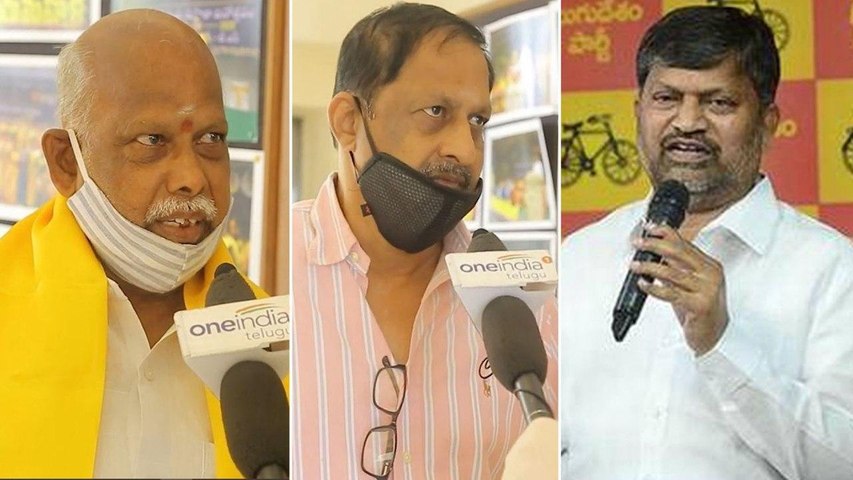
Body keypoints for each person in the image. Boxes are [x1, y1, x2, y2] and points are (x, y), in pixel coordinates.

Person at [560, 6, 853, 479]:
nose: (687, 122)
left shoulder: (832, 269)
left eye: (718, 103)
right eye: (667, 98)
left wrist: (722, 343)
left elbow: (842, 464)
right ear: (638, 111)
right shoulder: (579, 257)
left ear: (768, 122)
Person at [291, 3, 558, 478]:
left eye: (477, 121)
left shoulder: (528, 307)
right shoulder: (275, 275)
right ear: (349, 121)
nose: (464, 149)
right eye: (435, 112)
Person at [0, 10, 266, 478]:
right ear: (66, 162)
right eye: (151, 140)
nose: (191, 178)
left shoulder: (273, 340)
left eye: (211, 138)